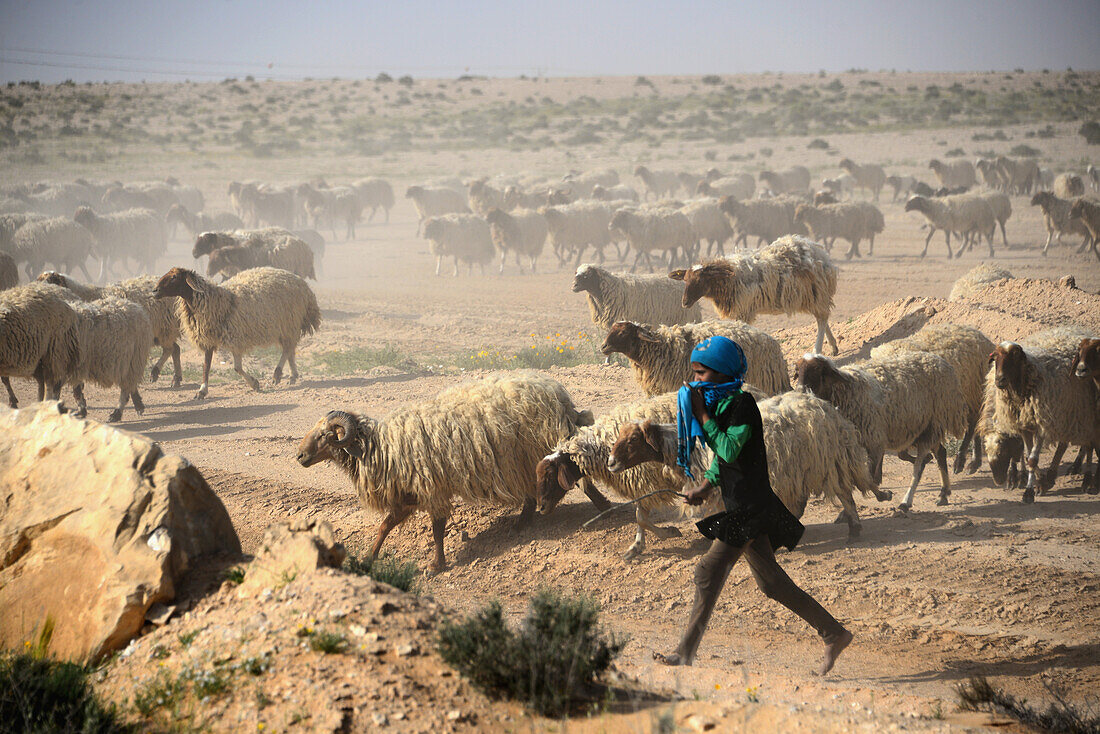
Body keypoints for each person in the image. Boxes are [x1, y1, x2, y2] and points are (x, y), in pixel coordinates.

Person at [654, 335, 853, 675]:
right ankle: (834, 633)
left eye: (702, 374)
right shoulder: (724, 406)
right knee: (772, 584)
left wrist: (701, 415)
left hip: (749, 507)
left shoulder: (742, 405)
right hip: (742, 505)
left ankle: (684, 652)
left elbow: (730, 448)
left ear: (722, 372)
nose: (696, 381)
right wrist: (704, 485)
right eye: (695, 374)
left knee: (707, 571)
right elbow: (724, 461)